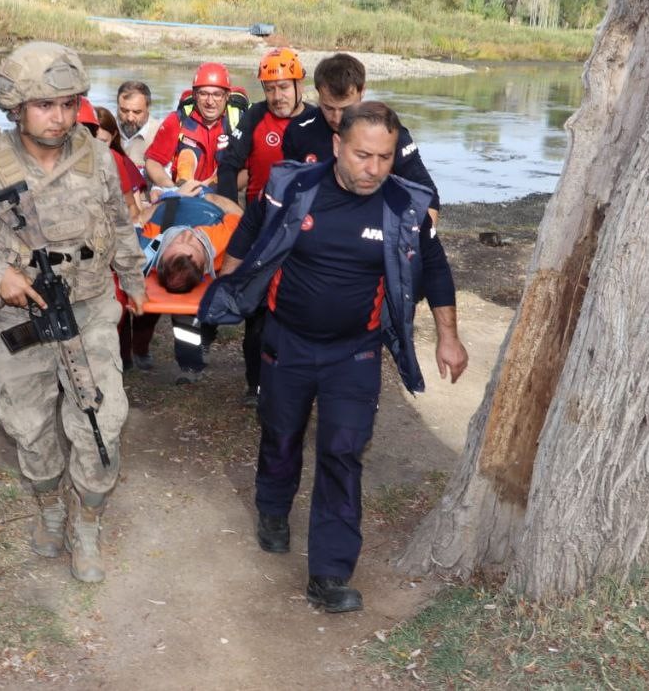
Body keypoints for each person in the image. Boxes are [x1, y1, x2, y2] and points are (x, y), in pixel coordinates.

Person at [200, 101, 468, 614]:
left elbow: (435, 268)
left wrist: (448, 337)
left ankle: (330, 573)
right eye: (363, 155)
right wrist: (228, 287)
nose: (374, 169)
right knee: (281, 434)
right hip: (287, 341)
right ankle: (272, 507)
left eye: (385, 157)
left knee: (342, 453)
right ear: (338, 145)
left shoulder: (404, 207)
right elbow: (250, 228)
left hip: (355, 352)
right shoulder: (293, 187)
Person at [0, 42, 146, 585]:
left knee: (102, 421)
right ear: (16, 107)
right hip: (17, 322)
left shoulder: (98, 157)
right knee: (29, 426)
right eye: (44, 105)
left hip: (88, 310)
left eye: (68, 104)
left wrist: (132, 276)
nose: (59, 117)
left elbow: (118, 222)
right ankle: (49, 507)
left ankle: (87, 522)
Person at [216, 47, 315, 404]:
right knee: (256, 312)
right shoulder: (255, 116)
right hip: (260, 228)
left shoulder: (317, 121)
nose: (277, 96)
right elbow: (229, 165)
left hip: (304, 233)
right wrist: (231, 213)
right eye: (270, 88)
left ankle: (297, 380)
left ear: (299, 84)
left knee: (300, 311)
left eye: (284, 87)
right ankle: (255, 384)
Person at [282, 53, 441, 223]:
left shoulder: (388, 132)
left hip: (374, 225)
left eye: (346, 109)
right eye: (328, 108)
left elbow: (428, 195)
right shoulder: (298, 130)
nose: (337, 118)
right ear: (318, 93)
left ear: (362, 91)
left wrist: (421, 236)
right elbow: (289, 193)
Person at [136, 181, 241, 381]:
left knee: (183, 317)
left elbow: (137, 219)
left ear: (163, 253)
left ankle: (188, 364)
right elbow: (238, 215)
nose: (186, 234)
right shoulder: (222, 241)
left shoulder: (148, 242)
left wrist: (171, 198)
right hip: (206, 198)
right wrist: (209, 198)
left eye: (178, 241)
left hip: (174, 196)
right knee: (185, 318)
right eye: (192, 242)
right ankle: (190, 365)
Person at [144, 62, 236, 189]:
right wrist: (172, 189)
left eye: (217, 94)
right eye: (203, 94)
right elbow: (153, 161)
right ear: (194, 95)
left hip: (222, 192)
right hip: (183, 192)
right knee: (187, 156)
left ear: (227, 96)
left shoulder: (237, 122)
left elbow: (248, 170)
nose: (210, 101)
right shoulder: (177, 120)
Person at [115, 80, 162, 172]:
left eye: (136, 112)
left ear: (148, 108)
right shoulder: (104, 129)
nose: (130, 118)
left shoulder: (160, 135)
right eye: (124, 111)